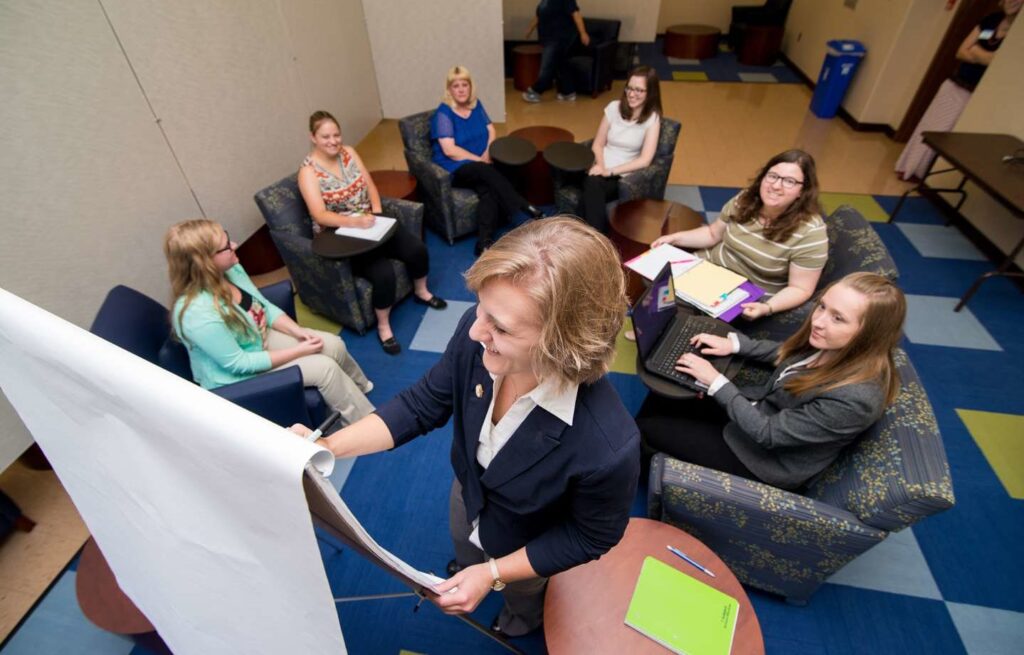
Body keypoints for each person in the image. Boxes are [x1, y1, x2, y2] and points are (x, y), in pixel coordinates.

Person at [291, 217, 640, 636]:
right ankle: (471, 562)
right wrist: (325, 446)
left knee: (522, 596)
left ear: (565, 343)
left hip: (528, 539)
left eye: (502, 328)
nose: (475, 330)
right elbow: (421, 404)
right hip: (468, 488)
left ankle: (519, 619)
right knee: (463, 542)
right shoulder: (478, 336)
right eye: (481, 308)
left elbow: (589, 537)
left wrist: (495, 573)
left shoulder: (608, 447)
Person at [636, 272, 906, 491]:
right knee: (667, 391)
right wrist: (735, 344)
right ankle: (641, 458)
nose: (819, 321)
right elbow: (787, 353)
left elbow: (768, 435)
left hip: (763, 460)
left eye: (838, 318)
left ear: (868, 335)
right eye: (822, 306)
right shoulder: (838, 344)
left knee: (647, 427)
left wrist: (716, 382)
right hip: (758, 410)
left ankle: (634, 471)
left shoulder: (856, 398)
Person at [165, 219, 374, 425]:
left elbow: (263, 306)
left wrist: (297, 331)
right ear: (206, 262)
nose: (235, 245)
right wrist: (301, 350)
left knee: (333, 344)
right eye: (226, 246)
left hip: (256, 337)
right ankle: (364, 424)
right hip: (237, 376)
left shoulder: (230, 269)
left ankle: (360, 389)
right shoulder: (196, 314)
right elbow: (240, 364)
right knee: (324, 369)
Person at [298, 110, 446, 355]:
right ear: (313, 138)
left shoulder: (350, 153)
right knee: (383, 273)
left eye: (336, 134)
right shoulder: (308, 172)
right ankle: (384, 327)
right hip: (341, 236)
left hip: (369, 222)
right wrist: (355, 223)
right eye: (326, 137)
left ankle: (422, 292)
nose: (333, 141)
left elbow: (369, 185)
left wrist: (376, 214)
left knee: (416, 248)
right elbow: (319, 215)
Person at [652, 149, 827, 320]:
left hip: (746, 291)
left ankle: (662, 332)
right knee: (658, 274)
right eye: (773, 176)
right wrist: (675, 238)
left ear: (802, 191)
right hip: (712, 267)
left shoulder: (810, 232)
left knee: (678, 298)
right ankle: (655, 330)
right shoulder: (746, 199)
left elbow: (800, 289)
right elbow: (713, 233)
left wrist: (767, 307)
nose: (776, 186)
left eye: (789, 181)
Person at [896, 0, 1019, 181]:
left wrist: (977, 53)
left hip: (976, 95)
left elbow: (997, 62)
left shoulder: (1017, 34)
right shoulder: (991, 20)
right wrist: (983, 57)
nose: (1013, 2)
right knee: (930, 127)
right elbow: (961, 51)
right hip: (955, 85)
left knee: (949, 136)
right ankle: (908, 167)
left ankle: (925, 177)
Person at [431, 65, 543, 256]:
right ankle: (522, 205)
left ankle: (483, 243)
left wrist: (487, 152)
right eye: (455, 86)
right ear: (449, 89)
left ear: (470, 86)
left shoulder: (476, 105)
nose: (460, 89)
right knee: (485, 172)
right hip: (456, 167)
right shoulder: (443, 113)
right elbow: (450, 150)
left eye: (464, 85)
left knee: (488, 191)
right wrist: (479, 160)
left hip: (482, 161)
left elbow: (491, 129)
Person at [581, 66, 663, 232]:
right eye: (630, 88)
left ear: (650, 93)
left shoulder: (652, 119)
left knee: (590, 184)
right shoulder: (613, 107)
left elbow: (645, 160)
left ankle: (596, 239)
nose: (632, 94)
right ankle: (592, 237)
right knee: (586, 181)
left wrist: (609, 171)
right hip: (599, 166)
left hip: (621, 176)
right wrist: (601, 166)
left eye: (639, 90)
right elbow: (598, 143)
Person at [522, 0, 590, 103]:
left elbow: (575, 14)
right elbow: (539, 16)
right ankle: (568, 93)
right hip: (547, 39)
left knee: (547, 65)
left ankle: (535, 91)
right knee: (561, 65)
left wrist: (583, 33)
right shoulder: (544, 2)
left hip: (559, 39)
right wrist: (529, 30)